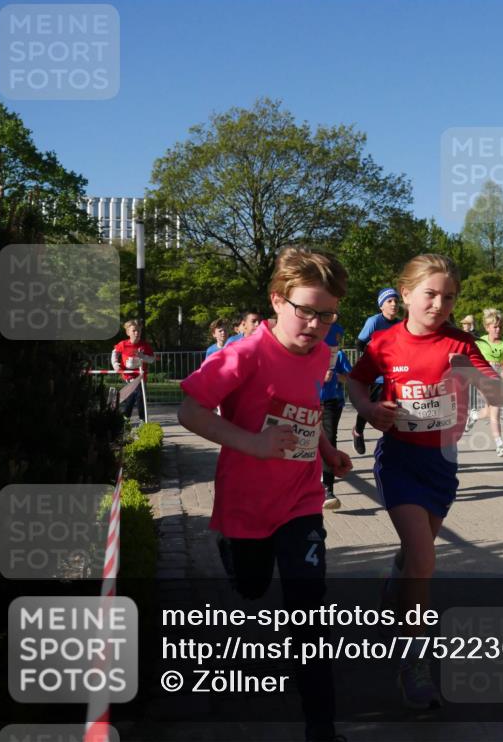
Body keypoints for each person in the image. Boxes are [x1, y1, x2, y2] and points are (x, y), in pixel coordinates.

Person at [177, 247, 352, 742]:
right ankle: (232, 549)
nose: (317, 324)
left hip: (300, 500)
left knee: (308, 607)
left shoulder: (320, 354)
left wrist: (326, 451)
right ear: (277, 301)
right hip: (246, 503)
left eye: (328, 314)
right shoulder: (244, 354)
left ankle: (321, 726)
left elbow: (305, 410)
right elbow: (190, 410)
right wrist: (252, 443)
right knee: (252, 588)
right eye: (306, 310)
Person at [348, 254, 503, 709]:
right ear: (406, 294)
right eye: (430, 294)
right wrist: (370, 410)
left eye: (449, 297)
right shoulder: (384, 342)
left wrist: (472, 373)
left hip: (442, 463)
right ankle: (413, 664)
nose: (439, 304)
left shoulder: (461, 341)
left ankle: (396, 577)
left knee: (415, 561)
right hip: (398, 460)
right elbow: (355, 384)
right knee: (425, 558)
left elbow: (497, 392)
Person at [351, 287, 401, 454]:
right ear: (381, 306)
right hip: (377, 374)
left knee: (393, 409)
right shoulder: (374, 322)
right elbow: (359, 343)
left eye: (396, 301)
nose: (394, 304)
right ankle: (358, 431)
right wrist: (372, 361)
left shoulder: (400, 324)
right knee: (369, 407)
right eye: (390, 301)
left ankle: (392, 444)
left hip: (394, 373)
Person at [466, 308, 503, 457]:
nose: (498, 329)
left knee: (490, 410)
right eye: (494, 326)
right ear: (487, 327)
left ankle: (474, 416)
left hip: (498, 381)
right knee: (495, 409)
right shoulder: (480, 342)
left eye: (500, 327)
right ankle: (500, 444)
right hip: (482, 380)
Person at [321, 332, 352, 511]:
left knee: (329, 441)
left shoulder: (339, 355)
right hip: (310, 401)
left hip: (332, 403)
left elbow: (349, 378)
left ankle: (328, 490)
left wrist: (336, 376)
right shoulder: (308, 352)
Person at [112, 320, 156, 422]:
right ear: (128, 332)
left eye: (139, 331)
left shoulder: (144, 345)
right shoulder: (123, 344)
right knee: (138, 393)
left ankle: (130, 418)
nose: (137, 333)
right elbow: (114, 353)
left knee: (136, 396)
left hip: (141, 376)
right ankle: (135, 418)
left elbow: (152, 359)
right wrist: (115, 364)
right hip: (128, 376)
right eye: (134, 331)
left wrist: (143, 356)